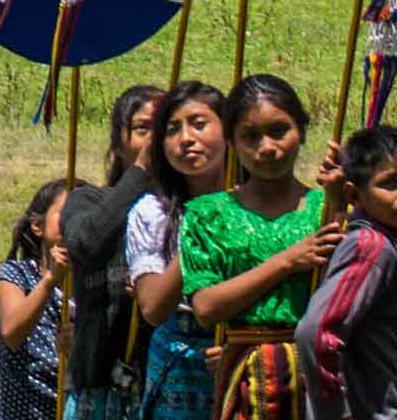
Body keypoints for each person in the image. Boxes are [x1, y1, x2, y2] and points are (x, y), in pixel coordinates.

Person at [179, 75, 332, 420]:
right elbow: (205, 307)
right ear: (232, 142)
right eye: (250, 136)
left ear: (302, 131)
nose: (267, 148)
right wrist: (287, 262)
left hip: (316, 375)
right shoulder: (208, 216)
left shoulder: (328, 209)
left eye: (279, 131)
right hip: (245, 379)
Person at [297, 124, 397, 420]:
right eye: (391, 183)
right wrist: (334, 413)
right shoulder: (371, 248)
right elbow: (316, 334)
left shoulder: (388, 247)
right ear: (354, 195)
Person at [55, 85, 167, 420]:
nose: (155, 140)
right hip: (101, 382)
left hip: (165, 380)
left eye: (164, 129)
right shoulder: (86, 201)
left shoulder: (184, 211)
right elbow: (88, 242)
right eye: (143, 129)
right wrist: (142, 173)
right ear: (118, 142)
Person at [124, 80, 233, 420]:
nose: (186, 138)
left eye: (199, 124)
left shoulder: (256, 206)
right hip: (176, 359)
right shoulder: (151, 213)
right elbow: (154, 306)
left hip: (240, 351)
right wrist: (199, 226)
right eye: (172, 130)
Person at [0, 178, 78, 420]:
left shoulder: (96, 285)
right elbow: (12, 332)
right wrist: (50, 281)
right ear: (38, 226)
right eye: (66, 213)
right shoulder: (16, 276)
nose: (75, 221)